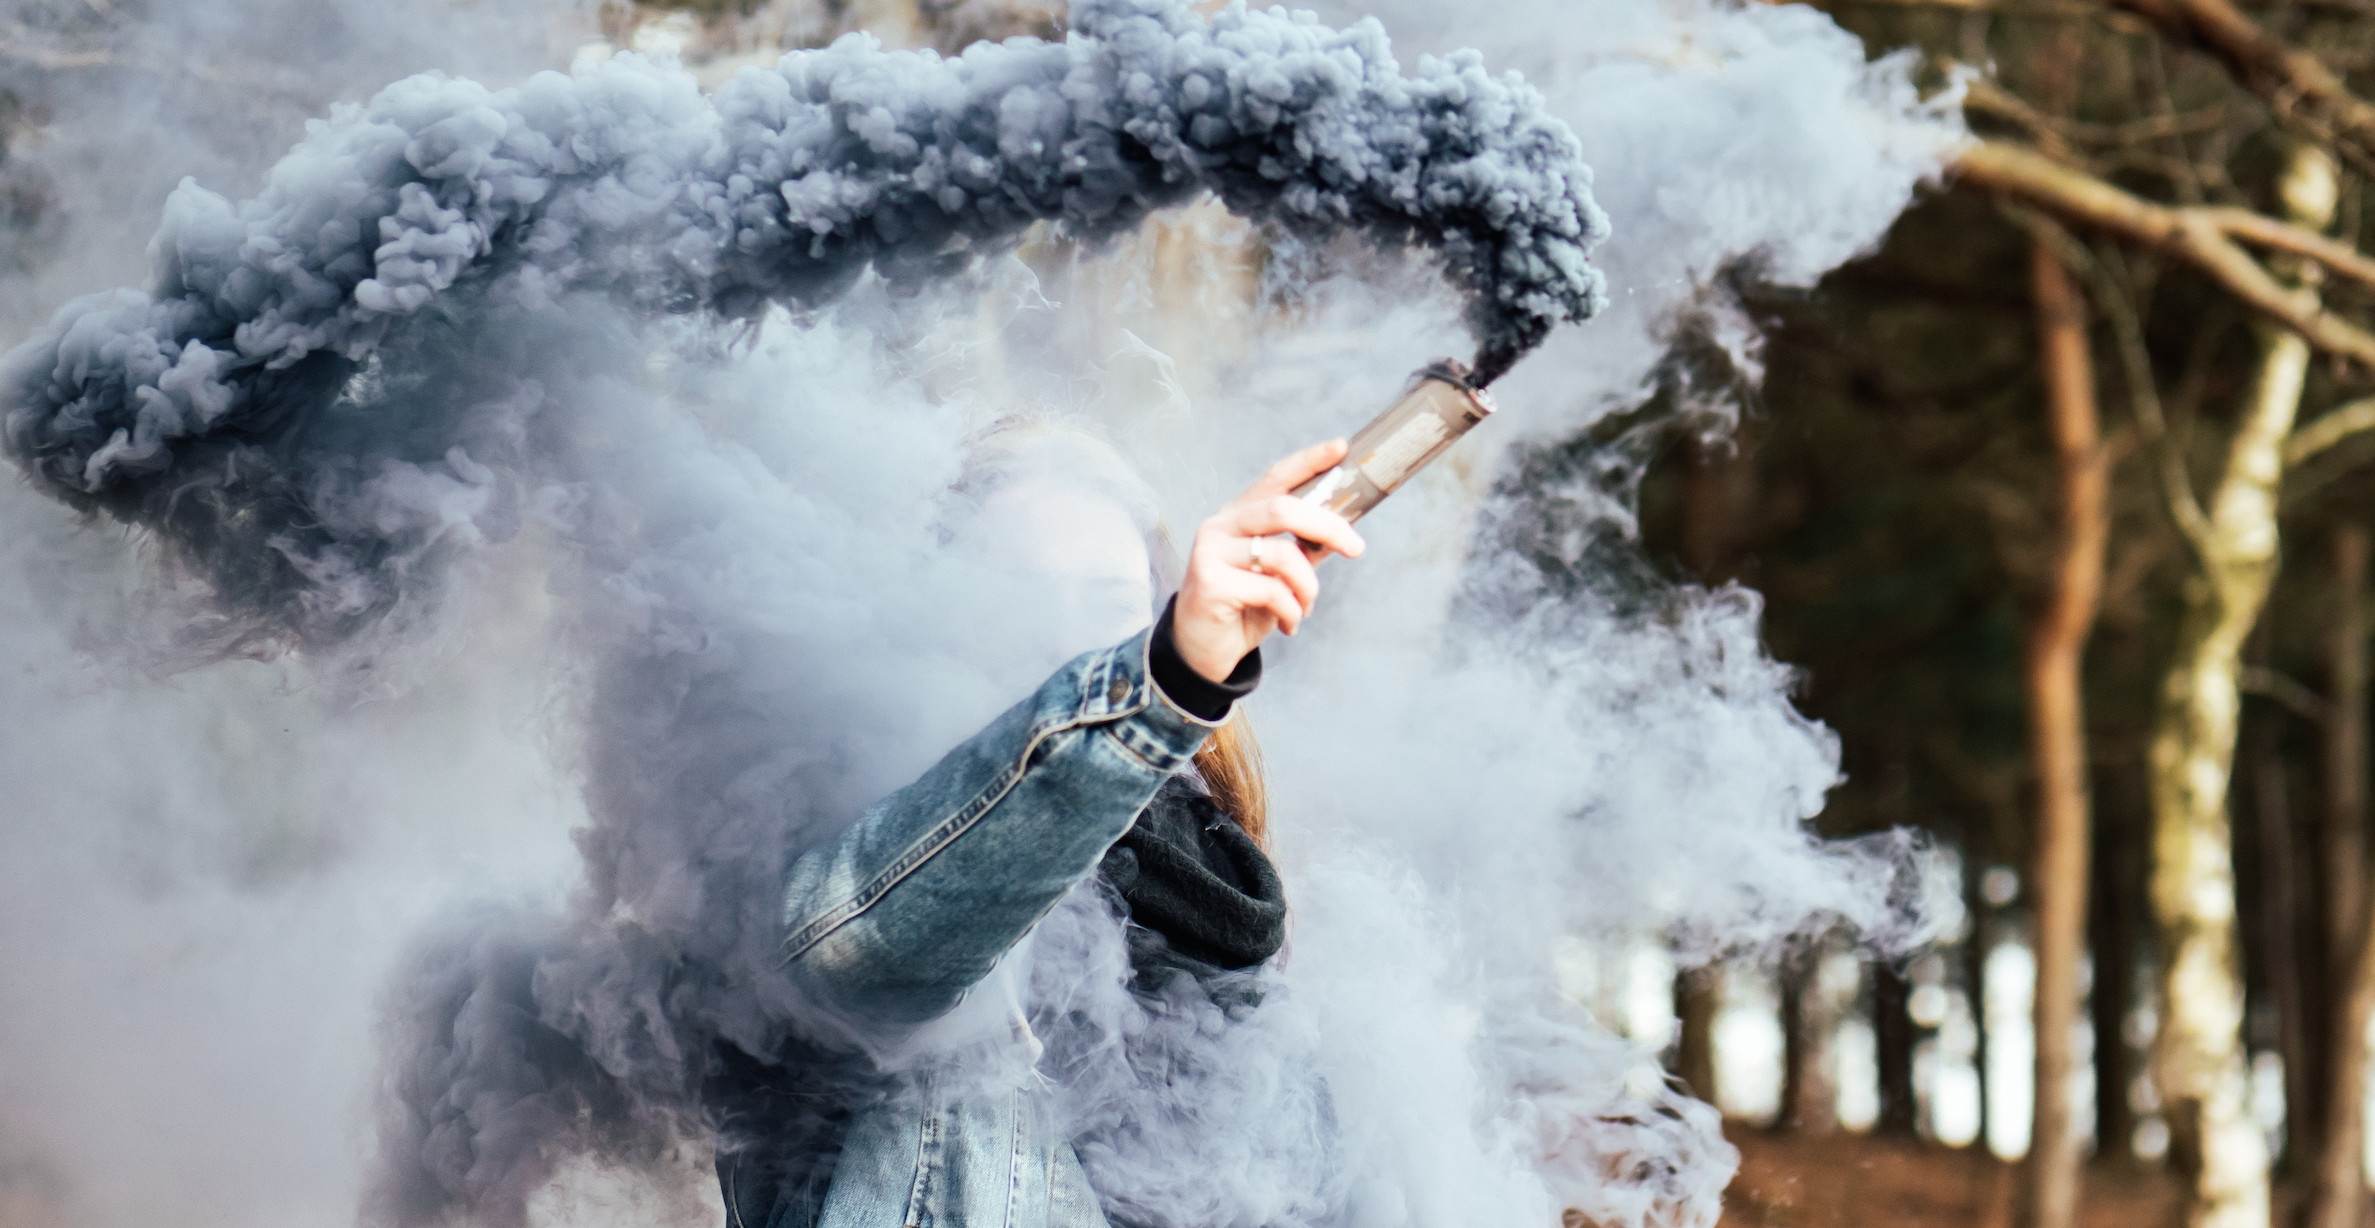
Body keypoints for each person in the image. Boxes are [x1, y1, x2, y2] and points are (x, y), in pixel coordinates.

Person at [713, 437, 1367, 1228]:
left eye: (1105, 604)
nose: (1065, 642)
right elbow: (854, 944)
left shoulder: (1236, 946)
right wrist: (1165, 679)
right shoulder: (869, 873)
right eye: (1009, 598)